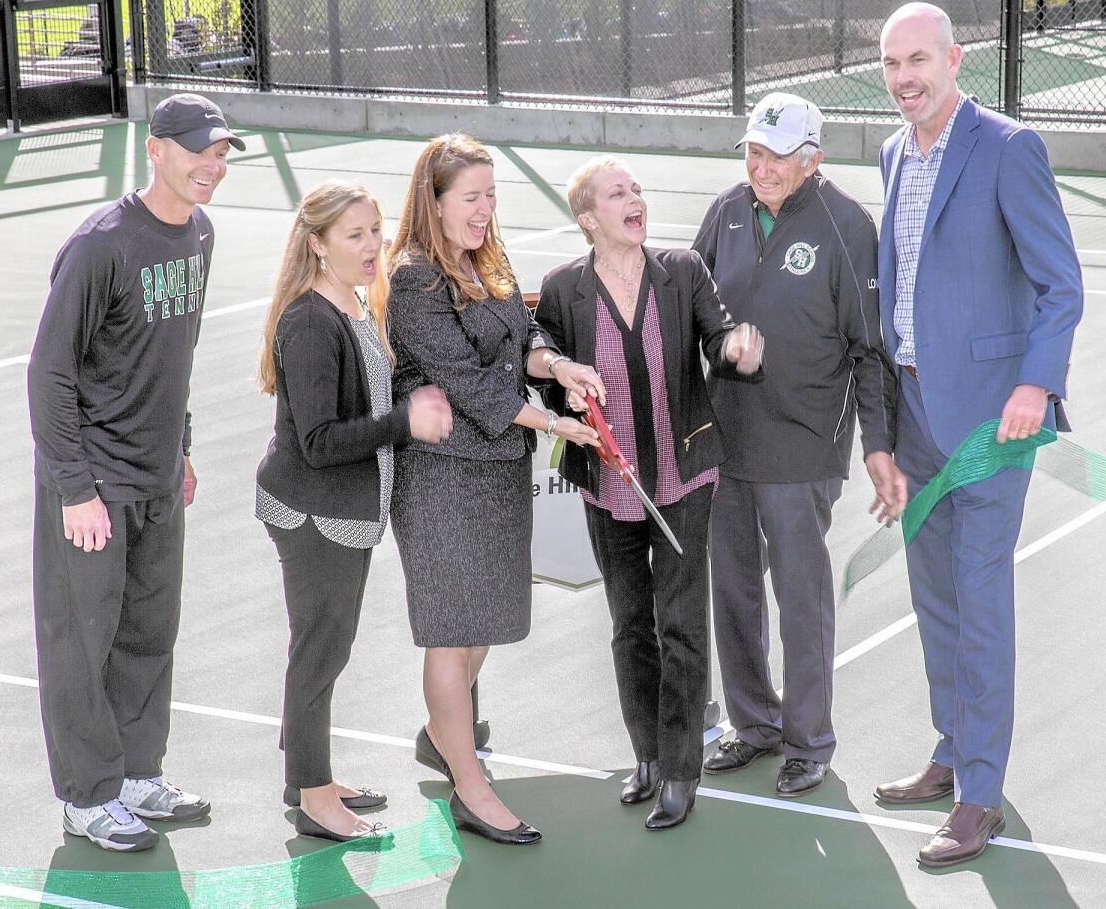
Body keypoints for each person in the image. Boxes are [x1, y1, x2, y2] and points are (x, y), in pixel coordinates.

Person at [875, 3, 1082, 866]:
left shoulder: (1006, 148)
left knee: (979, 600)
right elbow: (896, 300)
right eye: (890, 64)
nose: (904, 77)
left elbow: (1060, 283)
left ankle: (979, 796)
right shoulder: (891, 153)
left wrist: (1035, 382)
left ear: (955, 58)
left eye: (918, 58)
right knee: (934, 598)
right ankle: (952, 748)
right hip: (915, 413)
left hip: (995, 420)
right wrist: (884, 433)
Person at [26, 93, 244, 852]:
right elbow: (50, 375)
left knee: (149, 631)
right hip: (93, 483)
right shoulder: (100, 247)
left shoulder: (201, 235)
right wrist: (76, 488)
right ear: (156, 151)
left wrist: (178, 445)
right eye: (196, 151)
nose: (210, 166)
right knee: (82, 641)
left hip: (157, 477)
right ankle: (87, 796)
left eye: (219, 153)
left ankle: (136, 774)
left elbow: (170, 357)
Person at [386, 134, 604, 846]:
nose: (484, 210)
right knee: (453, 635)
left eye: (490, 195)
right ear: (435, 201)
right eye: (471, 197)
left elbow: (523, 325)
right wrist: (556, 424)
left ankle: (439, 736)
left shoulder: (485, 255)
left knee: (479, 626)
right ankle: (470, 787)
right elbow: (467, 381)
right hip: (444, 478)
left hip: (498, 468)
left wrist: (553, 362)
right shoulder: (417, 278)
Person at [535, 158, 763, 830]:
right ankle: (646, 756)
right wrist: (560, 376)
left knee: (682, 626)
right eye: (617, 194)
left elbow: (718, 336)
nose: (635, 199)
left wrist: (737, 350)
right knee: (629, 625)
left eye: (635, 190)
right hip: (609, 485)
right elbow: (544, 356)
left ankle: (680, 771)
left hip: (682, 477)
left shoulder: (682, 269)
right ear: (588, 219)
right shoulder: (562, 288)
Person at [693, 92, 905, 799]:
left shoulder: (847, 224)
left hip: (802, 446)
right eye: (753, 152)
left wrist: (878, 445)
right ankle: (753, 726)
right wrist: (725, 346)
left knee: (801, 599)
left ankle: (807, 740)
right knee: (732, 591)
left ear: (811, 159)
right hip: (725, 442)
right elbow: (691, 309)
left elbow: (868, 351)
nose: (762, 167)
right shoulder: (725, 210)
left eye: (777, 156)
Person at [254, 181, 453, 842]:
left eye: (376, 230)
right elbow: (318, 444)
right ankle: (315, 797)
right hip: (315, 515)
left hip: (344, 513)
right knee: (320, 652)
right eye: (355, 235)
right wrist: (405, 422)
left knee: (322, 649)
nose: (373, 246)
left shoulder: (355, 301)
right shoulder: (311, 322)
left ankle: (306, 775)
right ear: (317, 244)